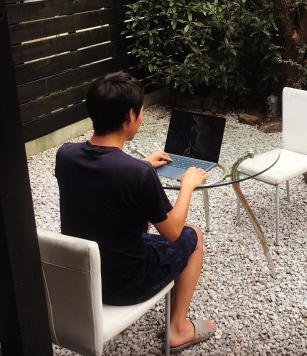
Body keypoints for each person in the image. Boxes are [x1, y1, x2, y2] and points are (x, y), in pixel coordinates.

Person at [55, 72, 216, 352]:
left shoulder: (65, 155)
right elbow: (173, 231)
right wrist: (187, 185)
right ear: (130, 116)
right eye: (141, 112)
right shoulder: (137, 174)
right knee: (195, 236)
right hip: (125, 285)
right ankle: (178, 328)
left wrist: (141, 163)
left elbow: (101, 175)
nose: (141, 117)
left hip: (83, 279)